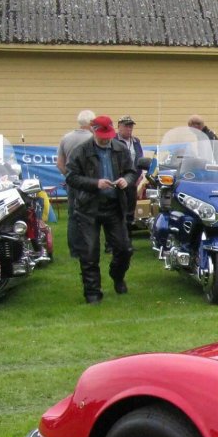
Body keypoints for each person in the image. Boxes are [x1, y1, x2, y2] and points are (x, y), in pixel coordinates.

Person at [65, 115, 136, 303]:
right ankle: (93, 292)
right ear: (93, 131)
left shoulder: (120, 149)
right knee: (89, 252)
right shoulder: (80, 151)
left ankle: (117, 276)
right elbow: (71, 177)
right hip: (88, 208)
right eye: (102, 135)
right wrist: (95, 183)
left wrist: (125, 180)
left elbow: (131, 172)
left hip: (114, 206)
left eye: (108, 135)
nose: (106, 139)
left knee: (124, 248)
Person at [57, 110, 94, 258]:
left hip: (72, 183)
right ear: (91, 122)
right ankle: (89, 247)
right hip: (90, 182)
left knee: (73, 214)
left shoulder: (66, 138)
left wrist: (70, 176)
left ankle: (74, 250)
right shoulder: (93, 139)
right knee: (91, 214)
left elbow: (60, 163)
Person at [116, 116, 144, 234]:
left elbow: (140, 158)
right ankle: (111, 243)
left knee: (130, 211)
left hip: (133, 180)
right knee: (117, 211)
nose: (129, 129)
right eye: (126, 126)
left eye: (130, 126)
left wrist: (140, 174)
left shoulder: (136, 141)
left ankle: (127, 240)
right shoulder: (113, 141)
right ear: (119, 127)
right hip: (118, 180)